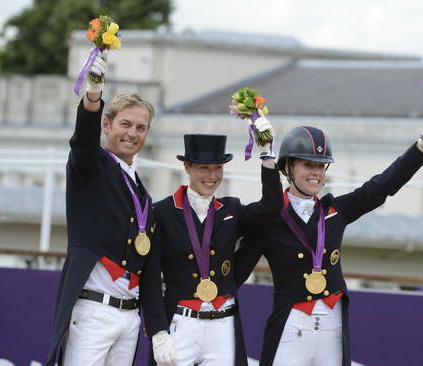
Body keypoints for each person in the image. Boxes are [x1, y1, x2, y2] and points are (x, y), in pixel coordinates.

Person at [234, 116, 423, 365]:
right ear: (288, 167)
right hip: (291, 329)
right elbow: (235, 275)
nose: (316, 173)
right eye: (309, 165)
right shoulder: (268, 218)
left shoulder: (336, 211)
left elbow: (382, 186)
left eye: (321, 166)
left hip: (332, 328)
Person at [47, 50, 175, 365]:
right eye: (126, 124)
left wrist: (157, 330)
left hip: (130, 317)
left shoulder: (143, 193)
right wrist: (93, 97)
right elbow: (83, 142)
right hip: (93, 312)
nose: (132, 133)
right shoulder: (92, 166)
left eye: (141, 128)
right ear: (107, 124)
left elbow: (149, 268)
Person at [140, 116, 283, 366]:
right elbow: (150, 276)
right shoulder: (161, 212)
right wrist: (157, 330)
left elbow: (271, 209)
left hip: (222, 323)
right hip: (180, 322)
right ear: (187, 167)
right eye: (204, 168)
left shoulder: (232, 209)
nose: (212, 175)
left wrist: (267, 157)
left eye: (217, 168)